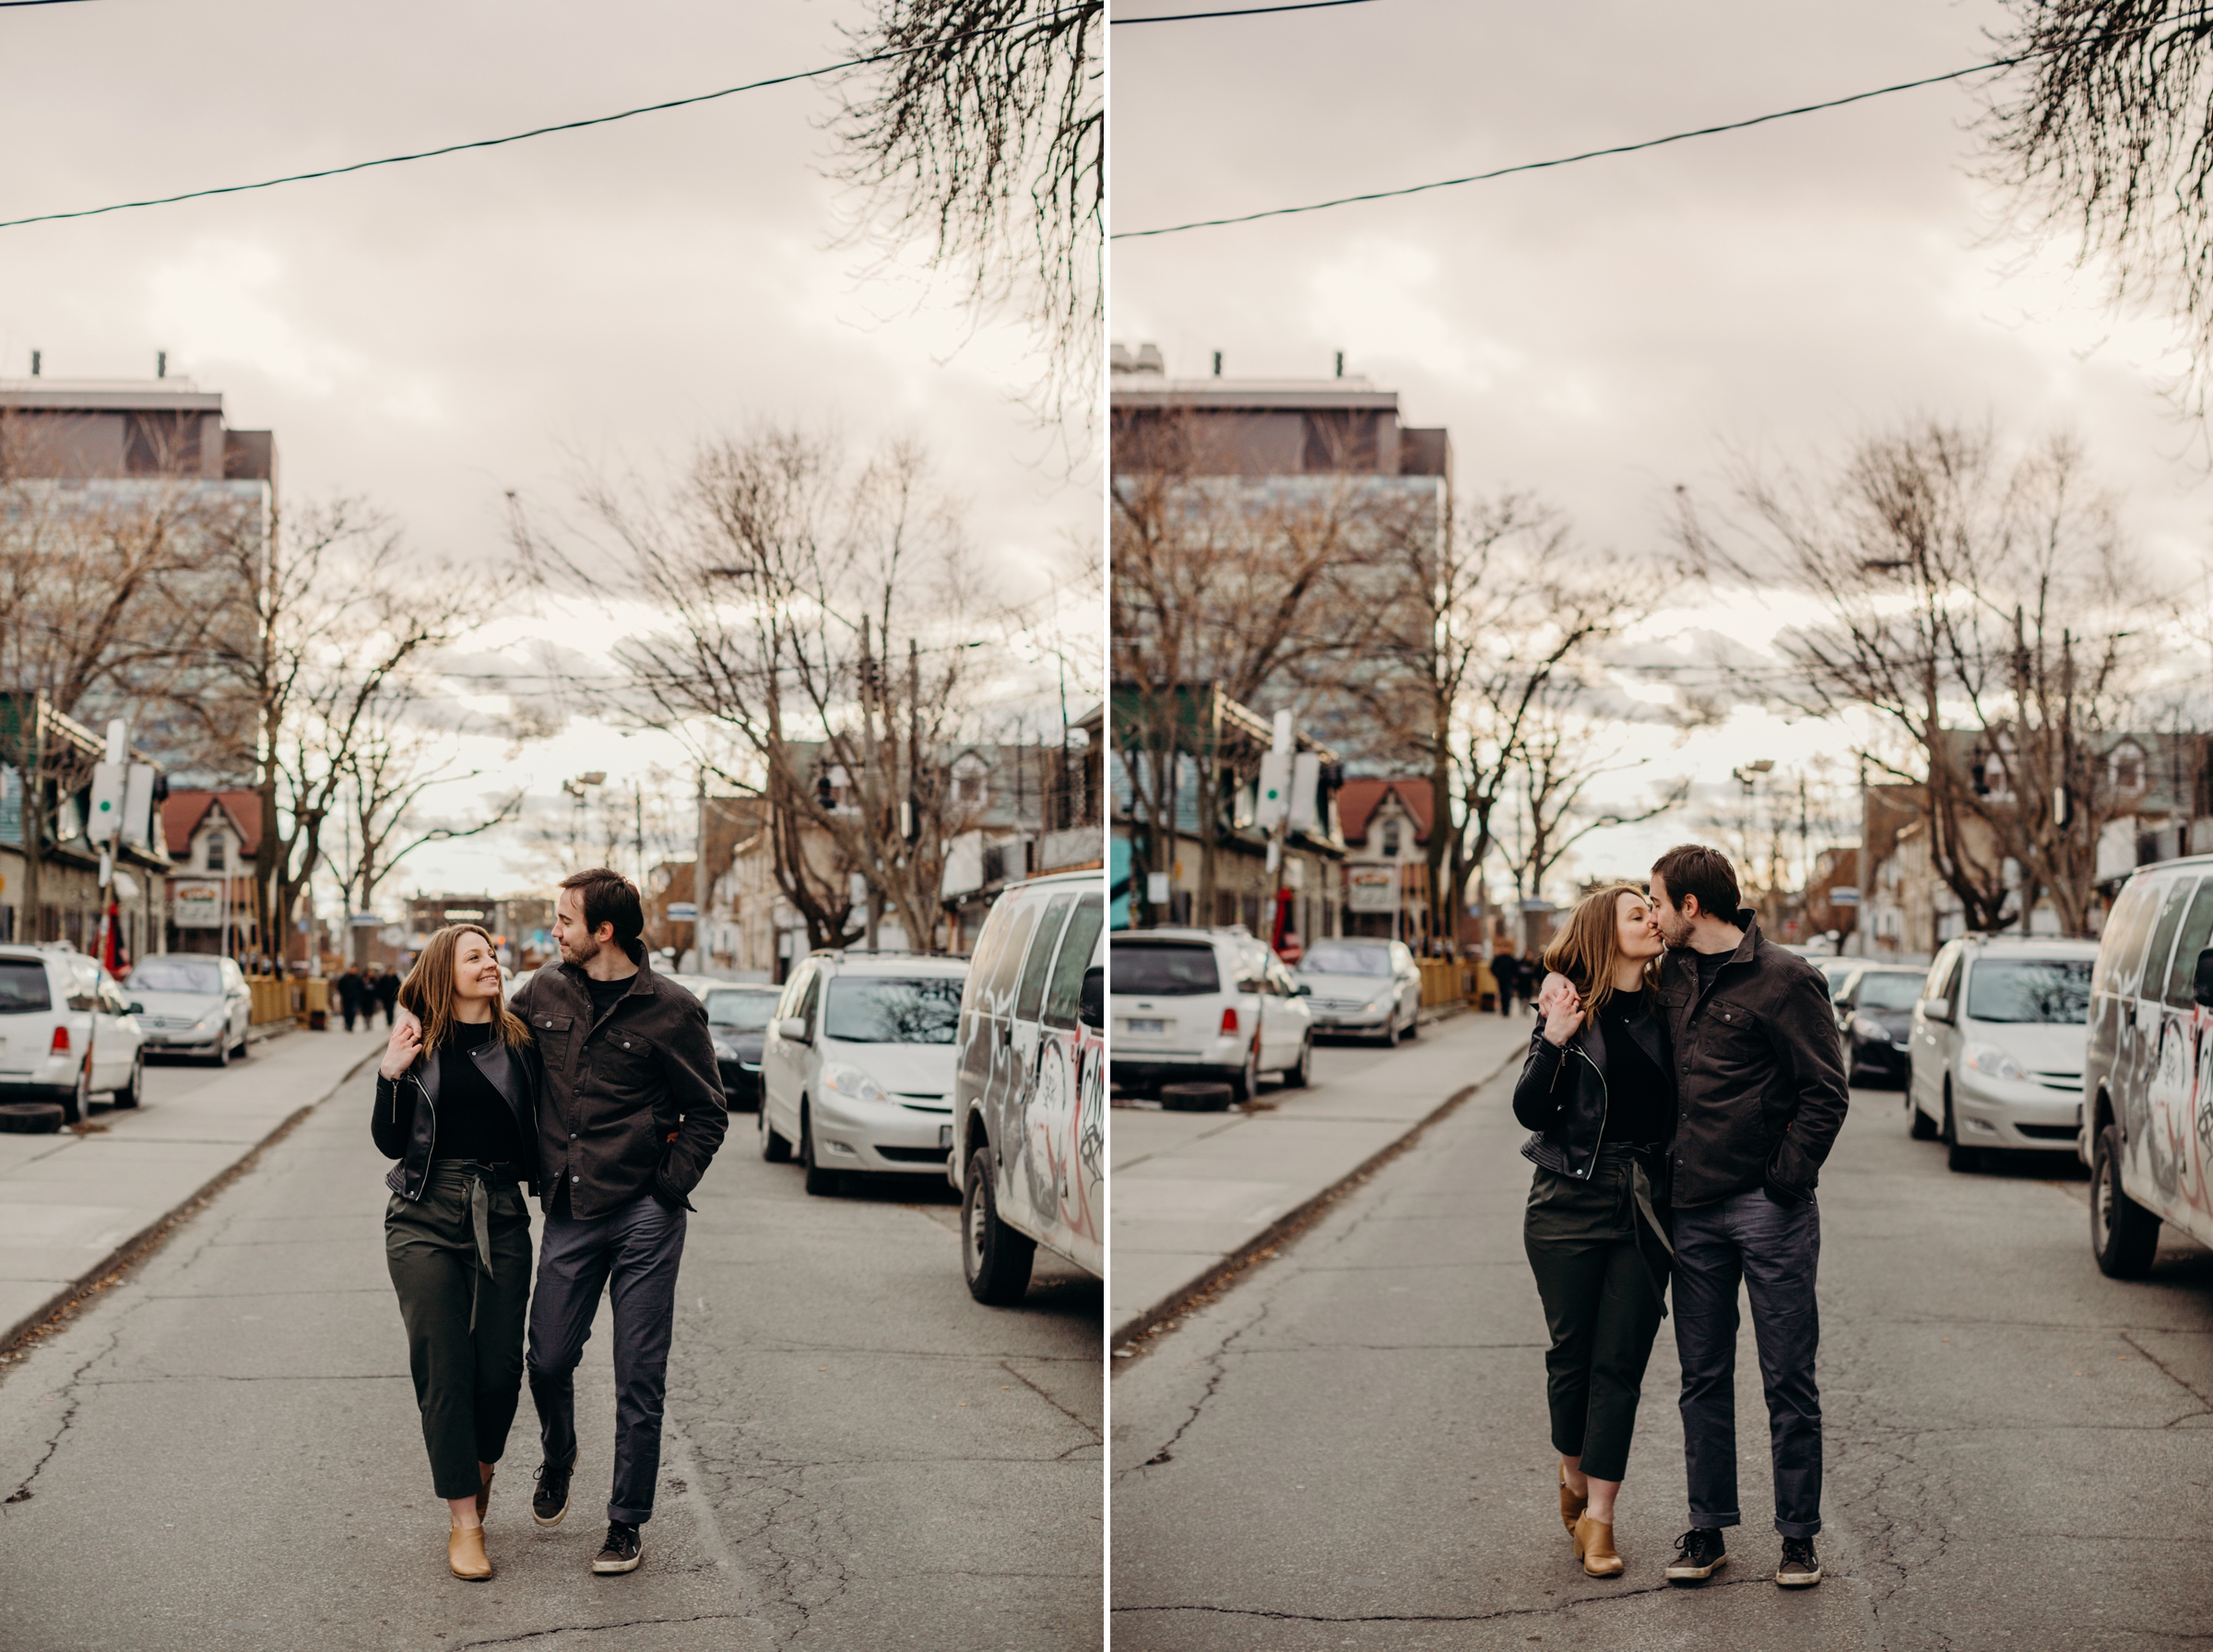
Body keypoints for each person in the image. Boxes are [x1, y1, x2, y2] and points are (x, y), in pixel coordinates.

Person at [1539, 845, 1848, 1588]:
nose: (1649, 913)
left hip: (1769, 1212)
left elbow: (1825, 1092)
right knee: (1702, 1378)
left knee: (1787, 1378)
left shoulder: (1786, 979)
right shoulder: (1668, 977)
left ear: (1690, 908)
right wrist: (1555, 983)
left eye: (1656, 901)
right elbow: (1594, 973)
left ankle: (1798, 1537)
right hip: (1690, 1214)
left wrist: (1783, 1178)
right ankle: (1706, 1530)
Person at [513, 868, 726, 1575]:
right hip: (570, 1209)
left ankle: (625, 1521)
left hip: (643, 1215)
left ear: (604, 931)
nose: (555, 931)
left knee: (639, 1373)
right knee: (546, 1358)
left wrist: (667, 1189)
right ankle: (559, 1452)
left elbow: (709, 1113)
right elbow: (488, 1043)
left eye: (564, 920)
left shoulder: (672, 1009)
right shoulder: (541, 991)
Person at [1513, 884, 1674, 1579]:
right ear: (1605, 934)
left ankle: (1601, 1518)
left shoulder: (1677, 1005)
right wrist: (1554, 1039)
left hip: (1645, 1201)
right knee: (1572, 1355)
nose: (1653, 920)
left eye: (1654, 909)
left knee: (1622, 1363)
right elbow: (1529, 1108)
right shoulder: (1568, 1005)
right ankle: (1573, 1473)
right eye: (1638, 913)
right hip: (1567, 1198)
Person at [372, 924, 541, 1582]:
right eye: (475, 957)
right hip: (423, 1213)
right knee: (444, 1367)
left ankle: (477, 1470)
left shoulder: (521, 1045)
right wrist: (391, 1073)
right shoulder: (420, 1044)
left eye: (494, 955)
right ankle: (465, 1523)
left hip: (500, 1211)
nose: (491, 964)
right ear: (447, 970)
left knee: (499, 1370)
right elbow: (391, 1142)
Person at [337, 962, 367, 1032]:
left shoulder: (358, 978)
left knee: (353, 1011)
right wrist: (343, 993)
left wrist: (359, 995)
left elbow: (362, 988)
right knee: (347, 1012)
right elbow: (340, 987)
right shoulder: (345, 978)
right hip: (346, 998)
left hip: (355, 998)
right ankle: (347, 1024)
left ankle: (351, 1025)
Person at [373, 962, 402, 1030]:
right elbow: (379, 987)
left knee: (391, 1010)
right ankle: (388, 1022)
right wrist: (380, 995)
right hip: (385, 997)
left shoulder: (395, 978)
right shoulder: (383, 978)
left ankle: (391, 1022)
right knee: (387, 1010)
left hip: (393, 997)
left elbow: (399, 987)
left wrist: (398, 996)